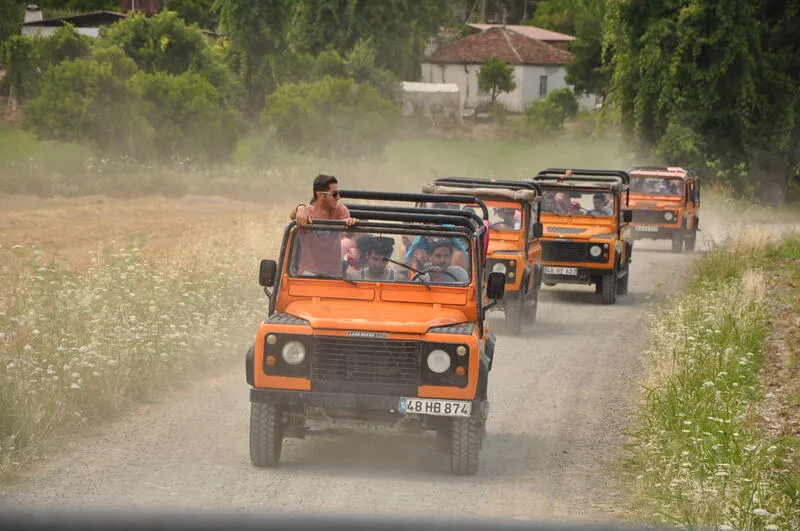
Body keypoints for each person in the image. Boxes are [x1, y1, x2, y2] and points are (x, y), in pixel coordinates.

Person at [290, 174, 356, 276]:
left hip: (333, 274)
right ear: (320, 195)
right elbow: (292, 216)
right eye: (334, 194)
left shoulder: (339, 210)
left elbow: (346, 223)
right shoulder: (305, 212)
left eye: (339, 193)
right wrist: (300, 208)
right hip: (307, 273)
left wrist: (349, 222)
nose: (338, 197)